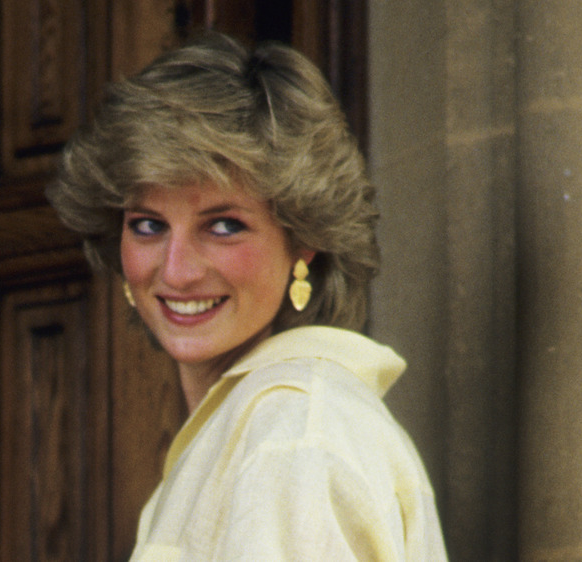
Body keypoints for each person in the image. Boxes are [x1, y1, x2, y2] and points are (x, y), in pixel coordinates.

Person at [47, 32, 447, 561]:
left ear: (303, 241)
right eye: (147, 224)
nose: (177, 270)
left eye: (224, 226)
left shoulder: (294, 434)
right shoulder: (251, 431)